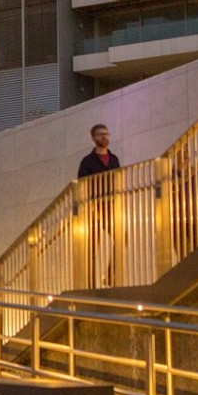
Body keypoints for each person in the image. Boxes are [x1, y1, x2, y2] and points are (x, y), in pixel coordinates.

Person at [77, 123, 121, 287]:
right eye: (100, 134)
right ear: (94, 138)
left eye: (106, 134)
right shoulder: (87, 161)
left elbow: (118, 179)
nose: (104, 137)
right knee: (92, 247)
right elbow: (82, 185)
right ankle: (90, 283)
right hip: (94, 208)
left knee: (121, 238)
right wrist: (90, 206)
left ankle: (111, 276)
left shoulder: (114, 159)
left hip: (111, 206)